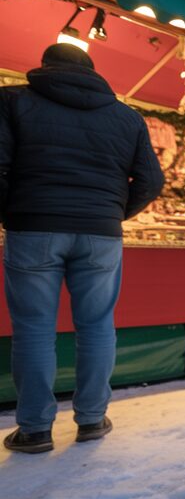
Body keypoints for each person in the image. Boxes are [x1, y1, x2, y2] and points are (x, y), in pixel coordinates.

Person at [1, 43, 164, 453]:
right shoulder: (126, 117)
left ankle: (35, 428)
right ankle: (92, 418)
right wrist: (113, 212)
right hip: (100, 233)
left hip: (34, 227)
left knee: (34, 328)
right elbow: (151, 181)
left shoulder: (13, 100)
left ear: (45, 67)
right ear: (93, 72)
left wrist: (12, 213)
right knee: (97, 325)